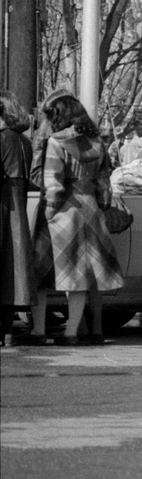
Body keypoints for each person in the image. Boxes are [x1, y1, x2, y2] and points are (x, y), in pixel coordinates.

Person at [30, 94, 124, 345]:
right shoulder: (97, 143)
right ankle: (71, 332)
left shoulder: (56, 142)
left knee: (41, 274)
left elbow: (53, 184)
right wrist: (101, 207)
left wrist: (49, 213)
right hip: (90, 210)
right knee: (81, 276)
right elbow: (105, 185)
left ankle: (38, 331)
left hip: (62, 213)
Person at [1, 91, 37, 346]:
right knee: (13, 267)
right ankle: (7, 330)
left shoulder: (2, 139)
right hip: (17, 205)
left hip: (3, 204)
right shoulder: (23, 141)